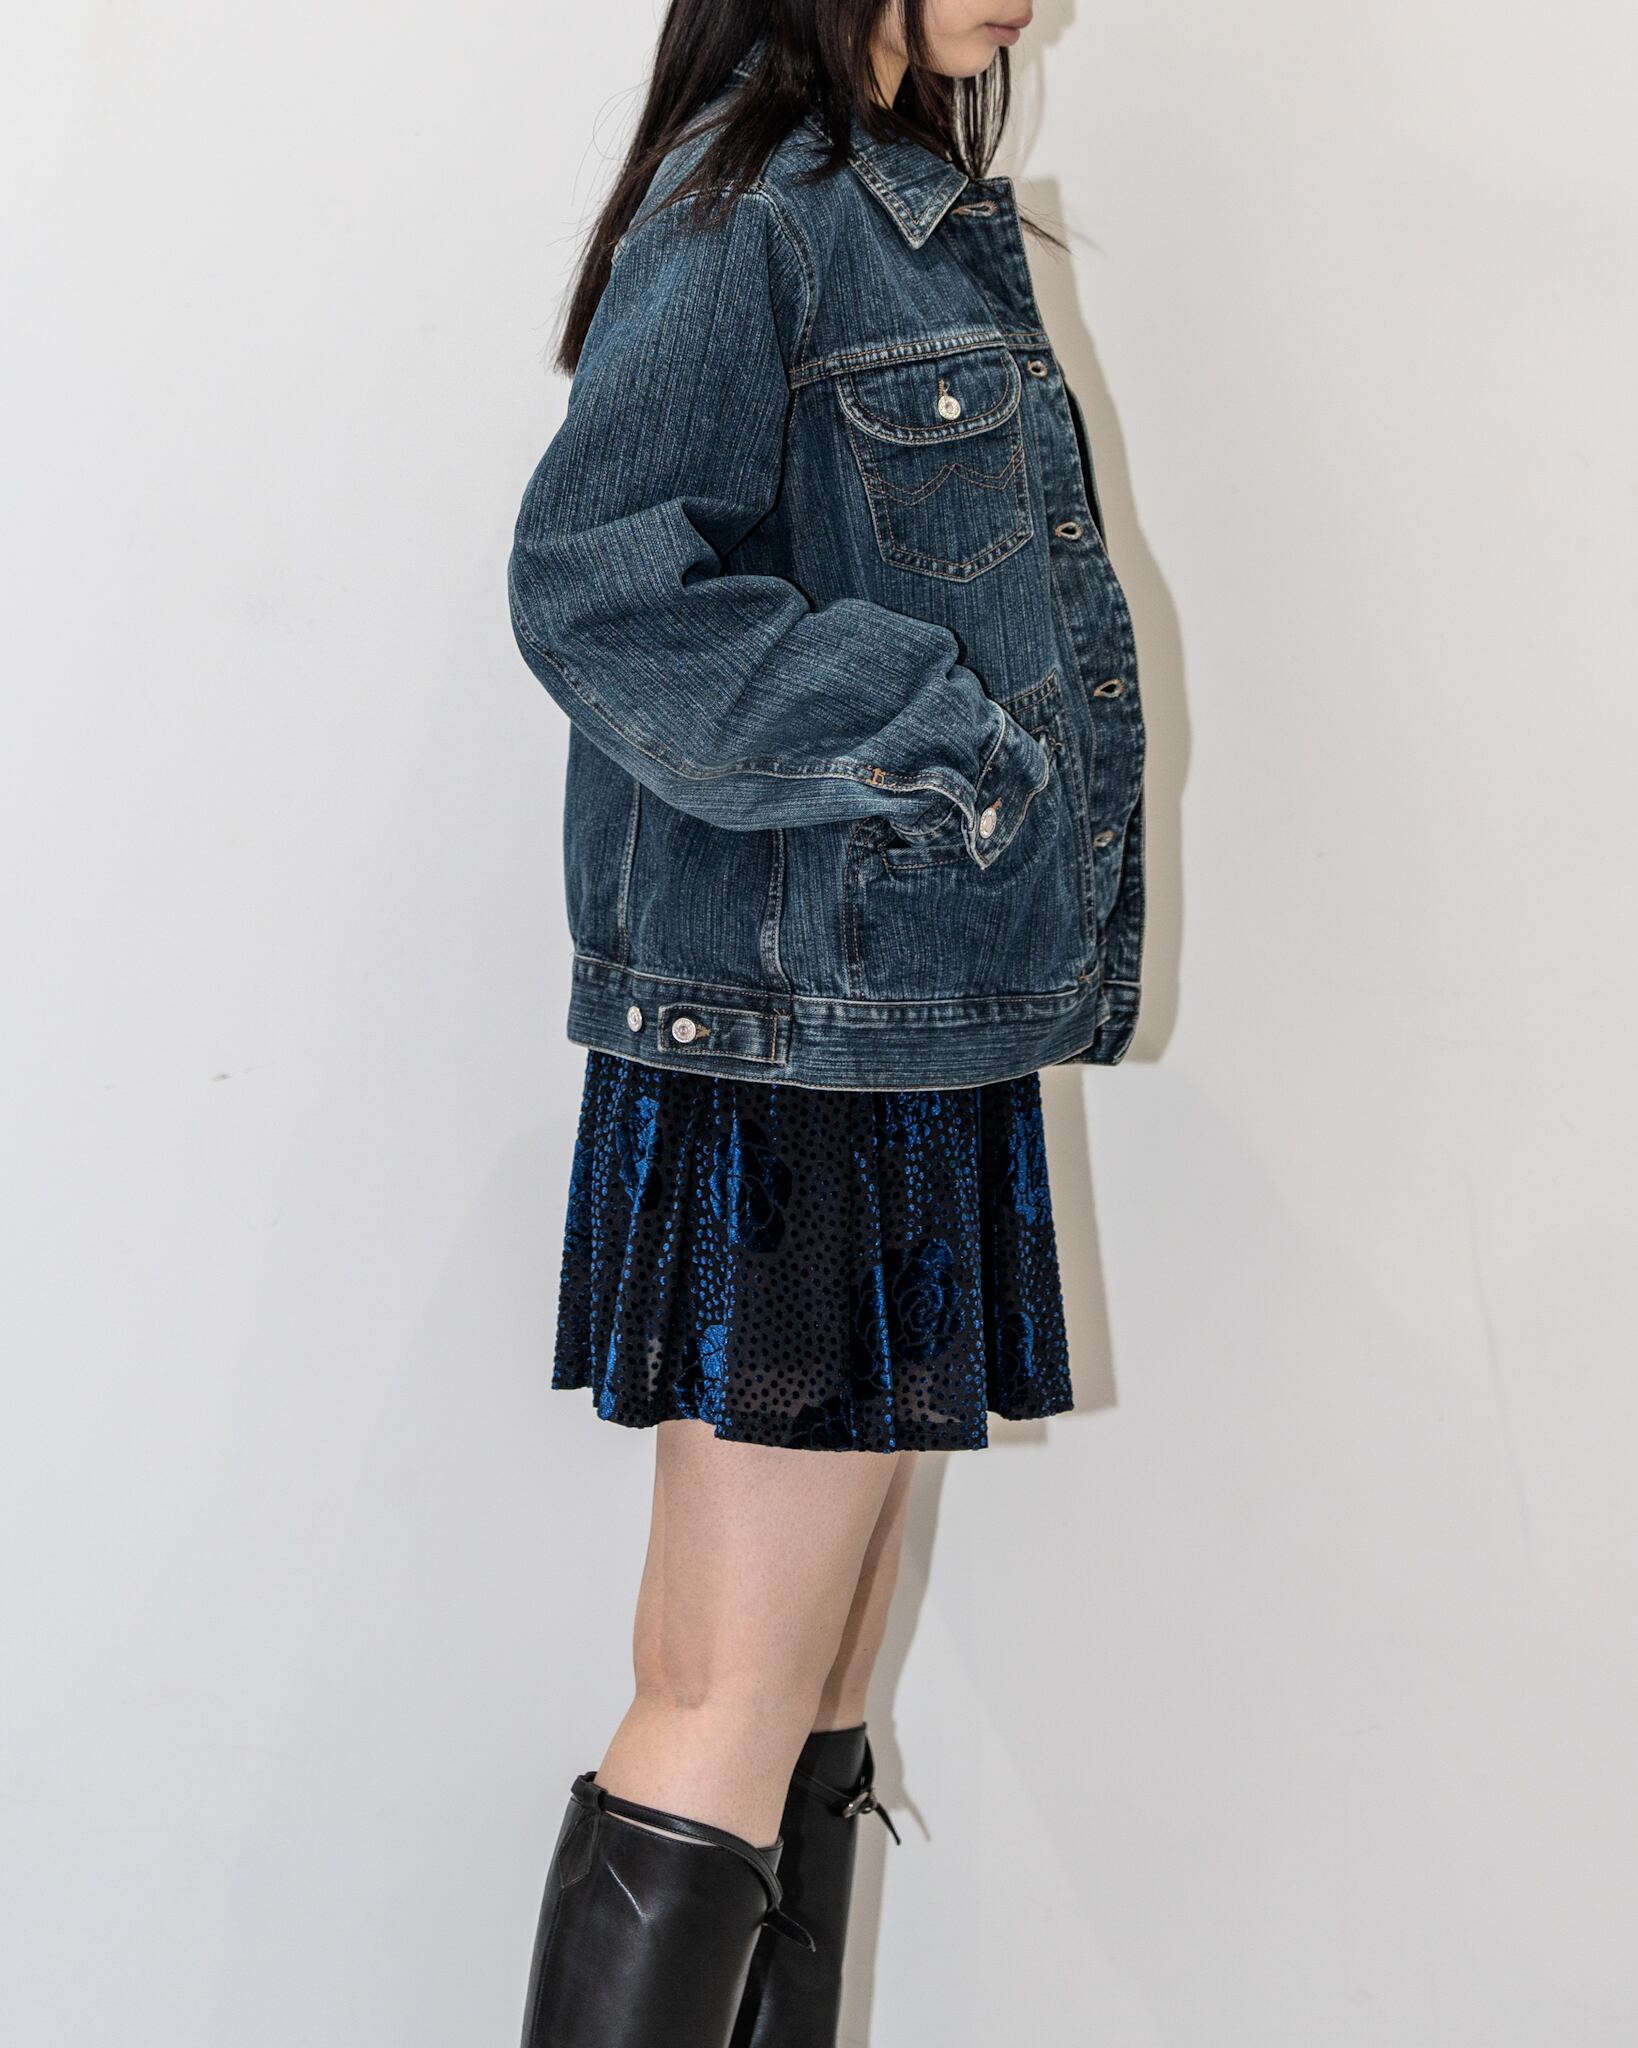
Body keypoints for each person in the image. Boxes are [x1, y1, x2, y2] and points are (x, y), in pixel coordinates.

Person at [505, 3, 1145, 2041]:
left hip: (895, 1034)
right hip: (795, 1056)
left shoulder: (907, 210)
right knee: (728, 1690)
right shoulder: (749, 212)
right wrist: (936, 738)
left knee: (811, 1694)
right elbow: (596, 582)